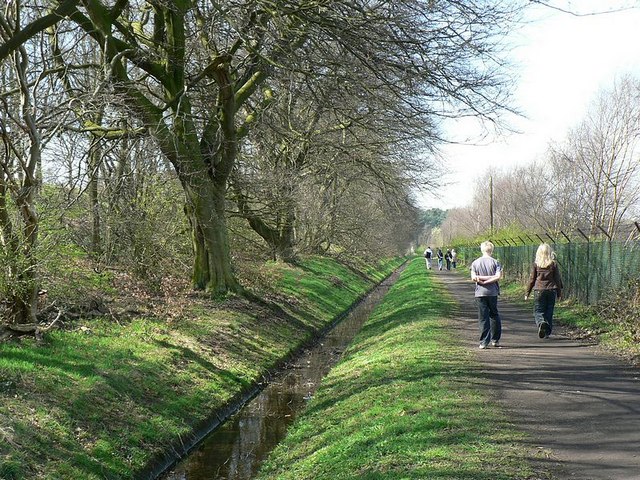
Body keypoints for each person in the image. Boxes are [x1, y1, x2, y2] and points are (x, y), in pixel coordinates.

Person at [525, 243, 563, 339]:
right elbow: (557, 279)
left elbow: (532, 279)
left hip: (539, 290)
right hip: (551, 289)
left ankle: (541, 322)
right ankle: (547, 332)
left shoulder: (536, 264)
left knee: (538, 311)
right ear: (550, 252)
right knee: (549, 311)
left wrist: (527, 293)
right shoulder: (553, 264)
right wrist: (559, 293)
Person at [470, 241, 503, 349]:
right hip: (492, 292)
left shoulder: (475, 263)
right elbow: (498, 276)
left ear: (481, 250)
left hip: (480, 293)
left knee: (483, 317)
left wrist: (482, 280)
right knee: (494, 315)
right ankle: (495, 340)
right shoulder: (495, 262)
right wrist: (490, 279)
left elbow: (474, 277)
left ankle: (484, 342)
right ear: (492, 250)